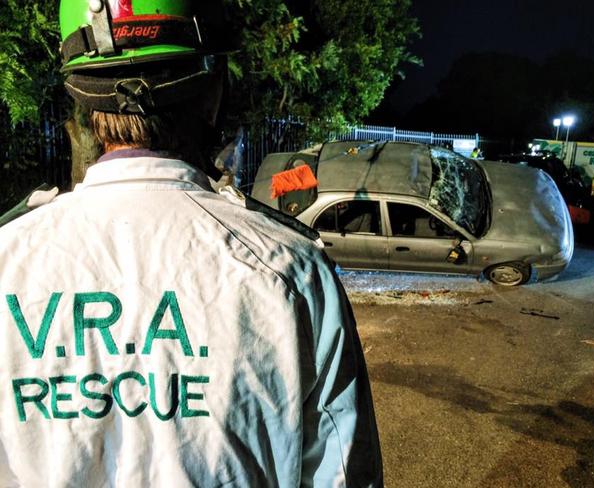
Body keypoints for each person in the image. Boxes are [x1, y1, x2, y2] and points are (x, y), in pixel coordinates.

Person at [0, 1, 382, 486]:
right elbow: (343, 474)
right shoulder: (291, 270)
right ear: (212, 91)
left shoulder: (7, 258)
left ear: (79, 93)